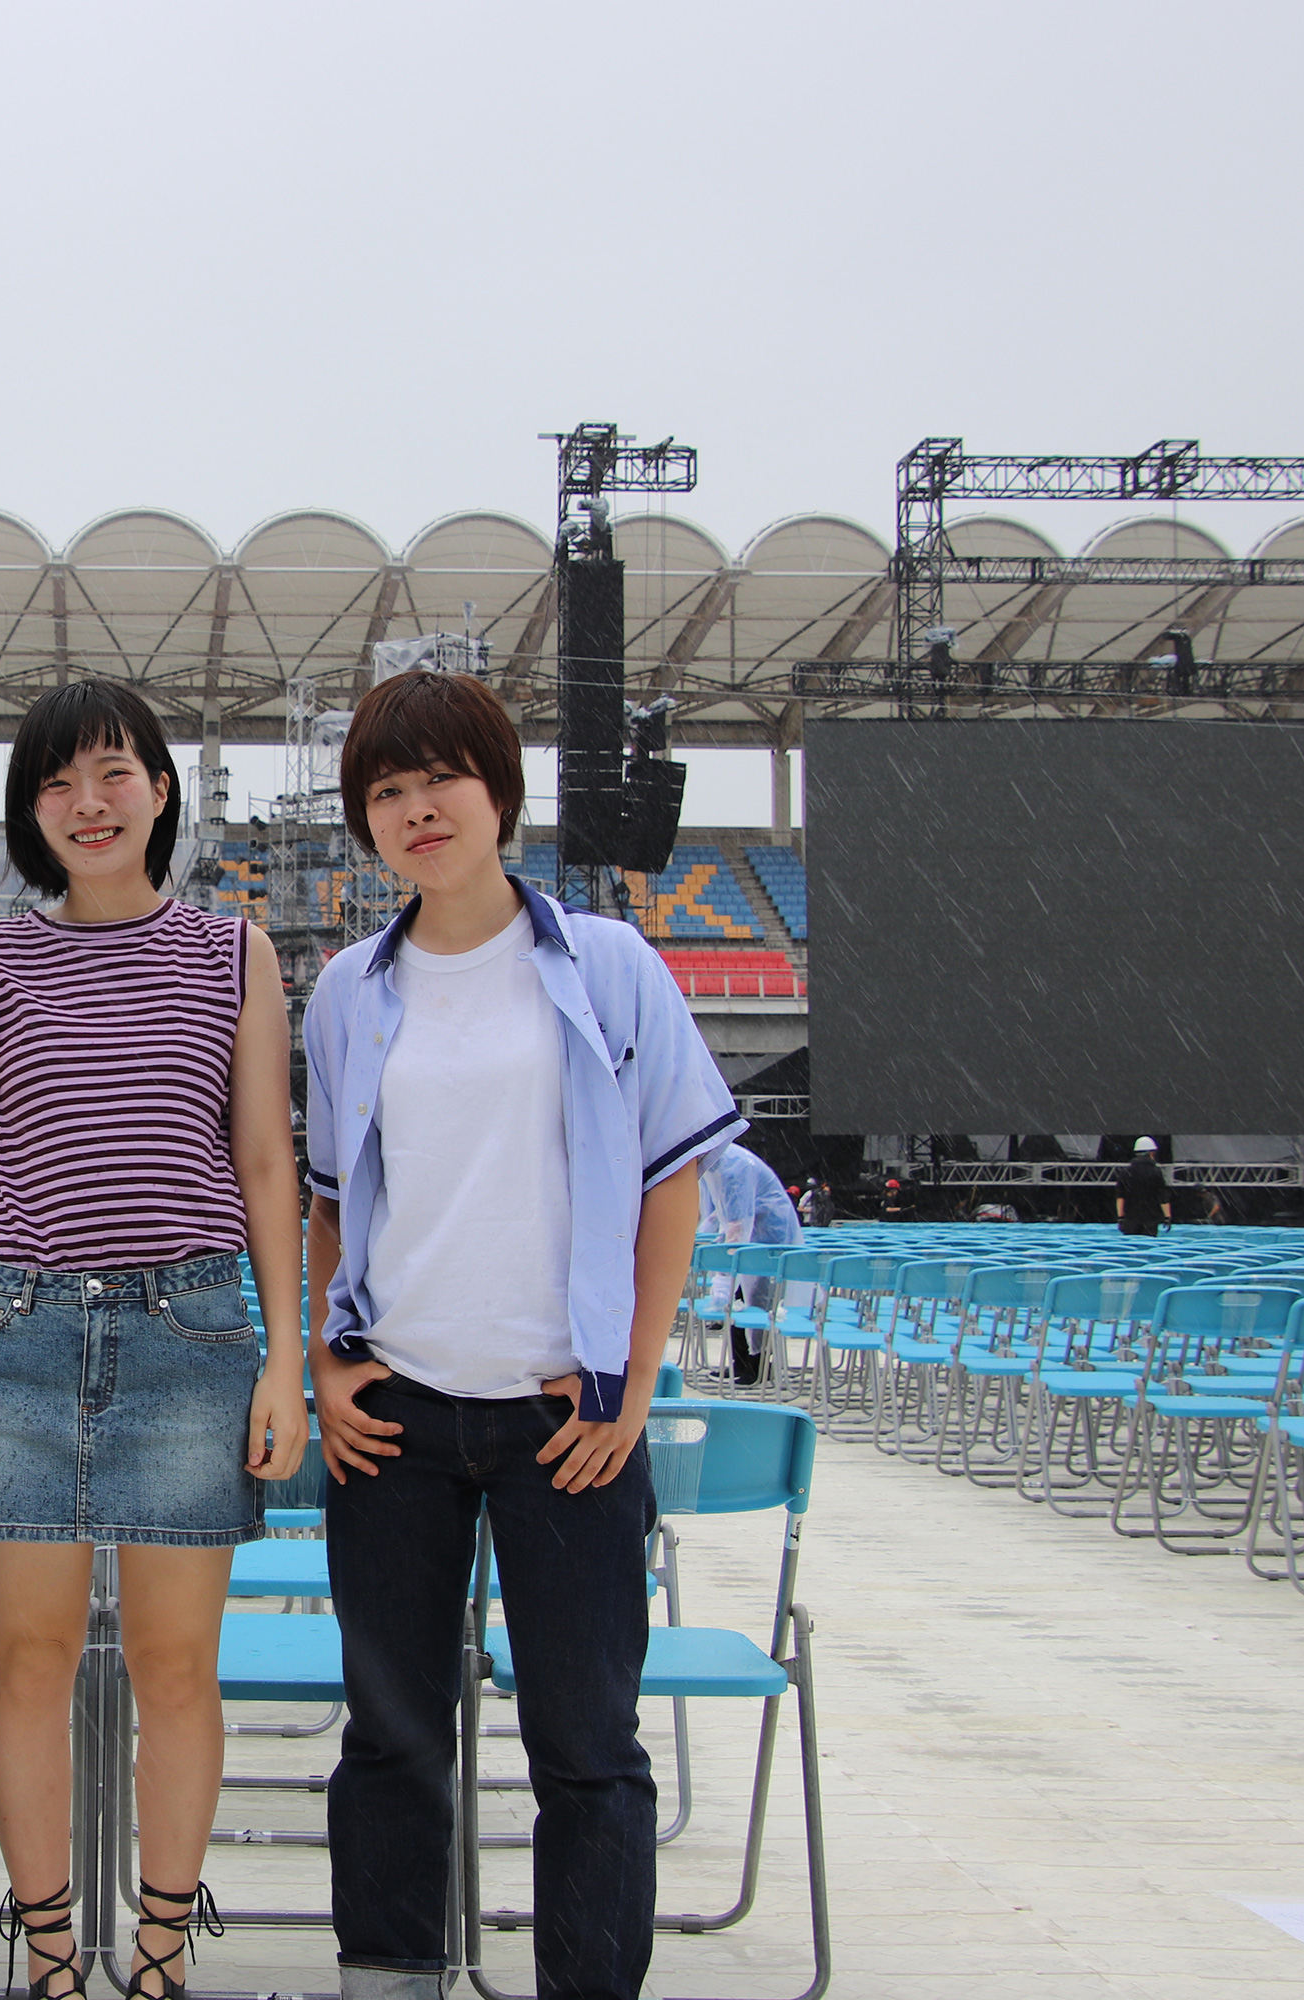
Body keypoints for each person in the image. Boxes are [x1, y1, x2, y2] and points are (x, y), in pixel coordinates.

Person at [301, 668, 739, 2000]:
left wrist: (631, 1384)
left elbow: (673, 1183)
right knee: (391, 1737)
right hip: (399, 1417)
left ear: (499, 791)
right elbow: (332, 1201)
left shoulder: (608, 964)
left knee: (586, 1745)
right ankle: (391, 1978)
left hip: (567, 1419)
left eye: (442, 777)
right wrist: (328, 1356)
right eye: (388, 789)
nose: (418, 808)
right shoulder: (347, 990)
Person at [0, 679, 306, 2000]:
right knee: (27, 1662)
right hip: (17, 1330)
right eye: (58, 781)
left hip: (191, 1331)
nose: (89, 802)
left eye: (114, 772)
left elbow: (264, 1160)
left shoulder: (235, 952)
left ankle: (163, 1954)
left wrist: (284, 1356)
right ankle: (49, 1954)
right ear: (30, 811)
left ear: (162, 790)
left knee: (178, 1669)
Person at [698, 1141, 800, 1384]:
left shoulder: (733, 1166)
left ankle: (757, 1366)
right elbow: (720, 1214)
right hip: (754, 1239)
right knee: (741, 1303)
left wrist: (725, 1274)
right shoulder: (717, 1164)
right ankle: (742, 1363)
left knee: (754, 1304)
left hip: (766, 1239)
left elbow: (738, 1222)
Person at [1116, 1136, 1169, 1237]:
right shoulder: (1156, 1172)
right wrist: (1167, 1217)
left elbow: (1120, 1197)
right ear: (1151, 1153)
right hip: (1150, 1219)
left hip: (1130, 1218)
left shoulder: (1125, 1172)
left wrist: (1120, 1217)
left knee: (1130, 1245)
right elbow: (1163, 1197)